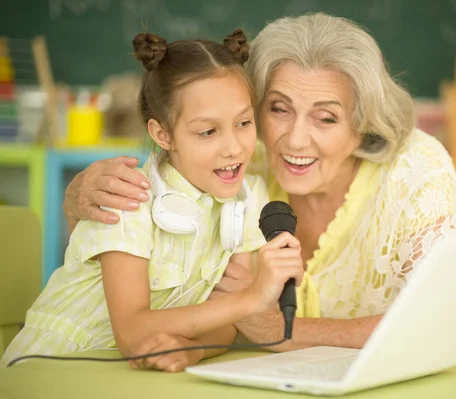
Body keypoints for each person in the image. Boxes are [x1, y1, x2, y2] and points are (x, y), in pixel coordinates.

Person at [61, 13, 456, 356]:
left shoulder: (415, 167)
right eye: (277, 109)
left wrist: (280, 331)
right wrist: (78, 194)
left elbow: (439, 323)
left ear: (363, 123)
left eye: (326, 117)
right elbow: (149, 198)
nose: (294, 139)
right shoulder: (241, 157)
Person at [0, 29, 304, 372]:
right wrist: (253, 298)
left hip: (129, 379)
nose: (233, 147)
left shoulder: (249, 198)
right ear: (163, 134)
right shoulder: (127, 195)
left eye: (244, 123)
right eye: (208, 131)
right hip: (50, 368)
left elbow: (227, 319)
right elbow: (131, 334)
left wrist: (192, 351)